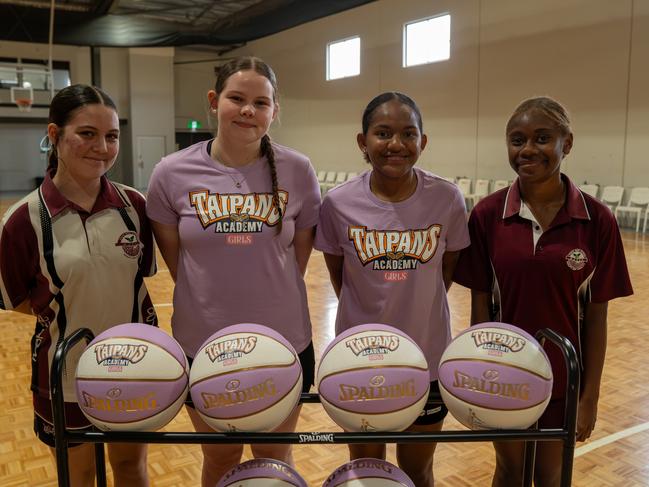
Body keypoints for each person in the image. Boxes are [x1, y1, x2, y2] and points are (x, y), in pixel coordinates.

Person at [146, 56, 321, 485]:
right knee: (220, 461)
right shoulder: (171, 173)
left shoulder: (298, 170)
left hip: (283, 342)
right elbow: (177, 260)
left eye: (261, 103)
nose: (248, 110)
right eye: (237, 98)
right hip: (203, 345)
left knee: (273, 460)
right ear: (214, 101)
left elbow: (299, 257)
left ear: (274, 111)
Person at [453, 96, 633, 487]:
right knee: (511, 471)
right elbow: (480, 306)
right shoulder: (487, 215)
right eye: (517, 140)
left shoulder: (597, 219)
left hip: (563, 381)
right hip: (502, 377)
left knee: (551, 476)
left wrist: (589, 398)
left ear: (566, 144)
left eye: (542, 138)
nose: (527, 150)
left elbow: (597, 317)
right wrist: (475, 380)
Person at [0, 84, 157, 486]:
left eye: (111, 136)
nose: (102, 147)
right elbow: (18, 300)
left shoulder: (135, 206)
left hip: (138, 368)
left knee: (130, 470)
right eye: (87, 133)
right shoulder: (23, 220)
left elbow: (140, 277)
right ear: (54, 136)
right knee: (79, 476)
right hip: (64, 375)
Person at [314, 92, 470, 486]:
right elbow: (340, 274)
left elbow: (447, 269)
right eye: (383, 133)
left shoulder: (447, 198)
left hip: (428, 359)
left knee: (418, 470)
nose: (396, 144)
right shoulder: (337, 203)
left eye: (408, 133)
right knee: (368, 471)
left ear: (423, 141)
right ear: (362, 141)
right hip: (359, 362)